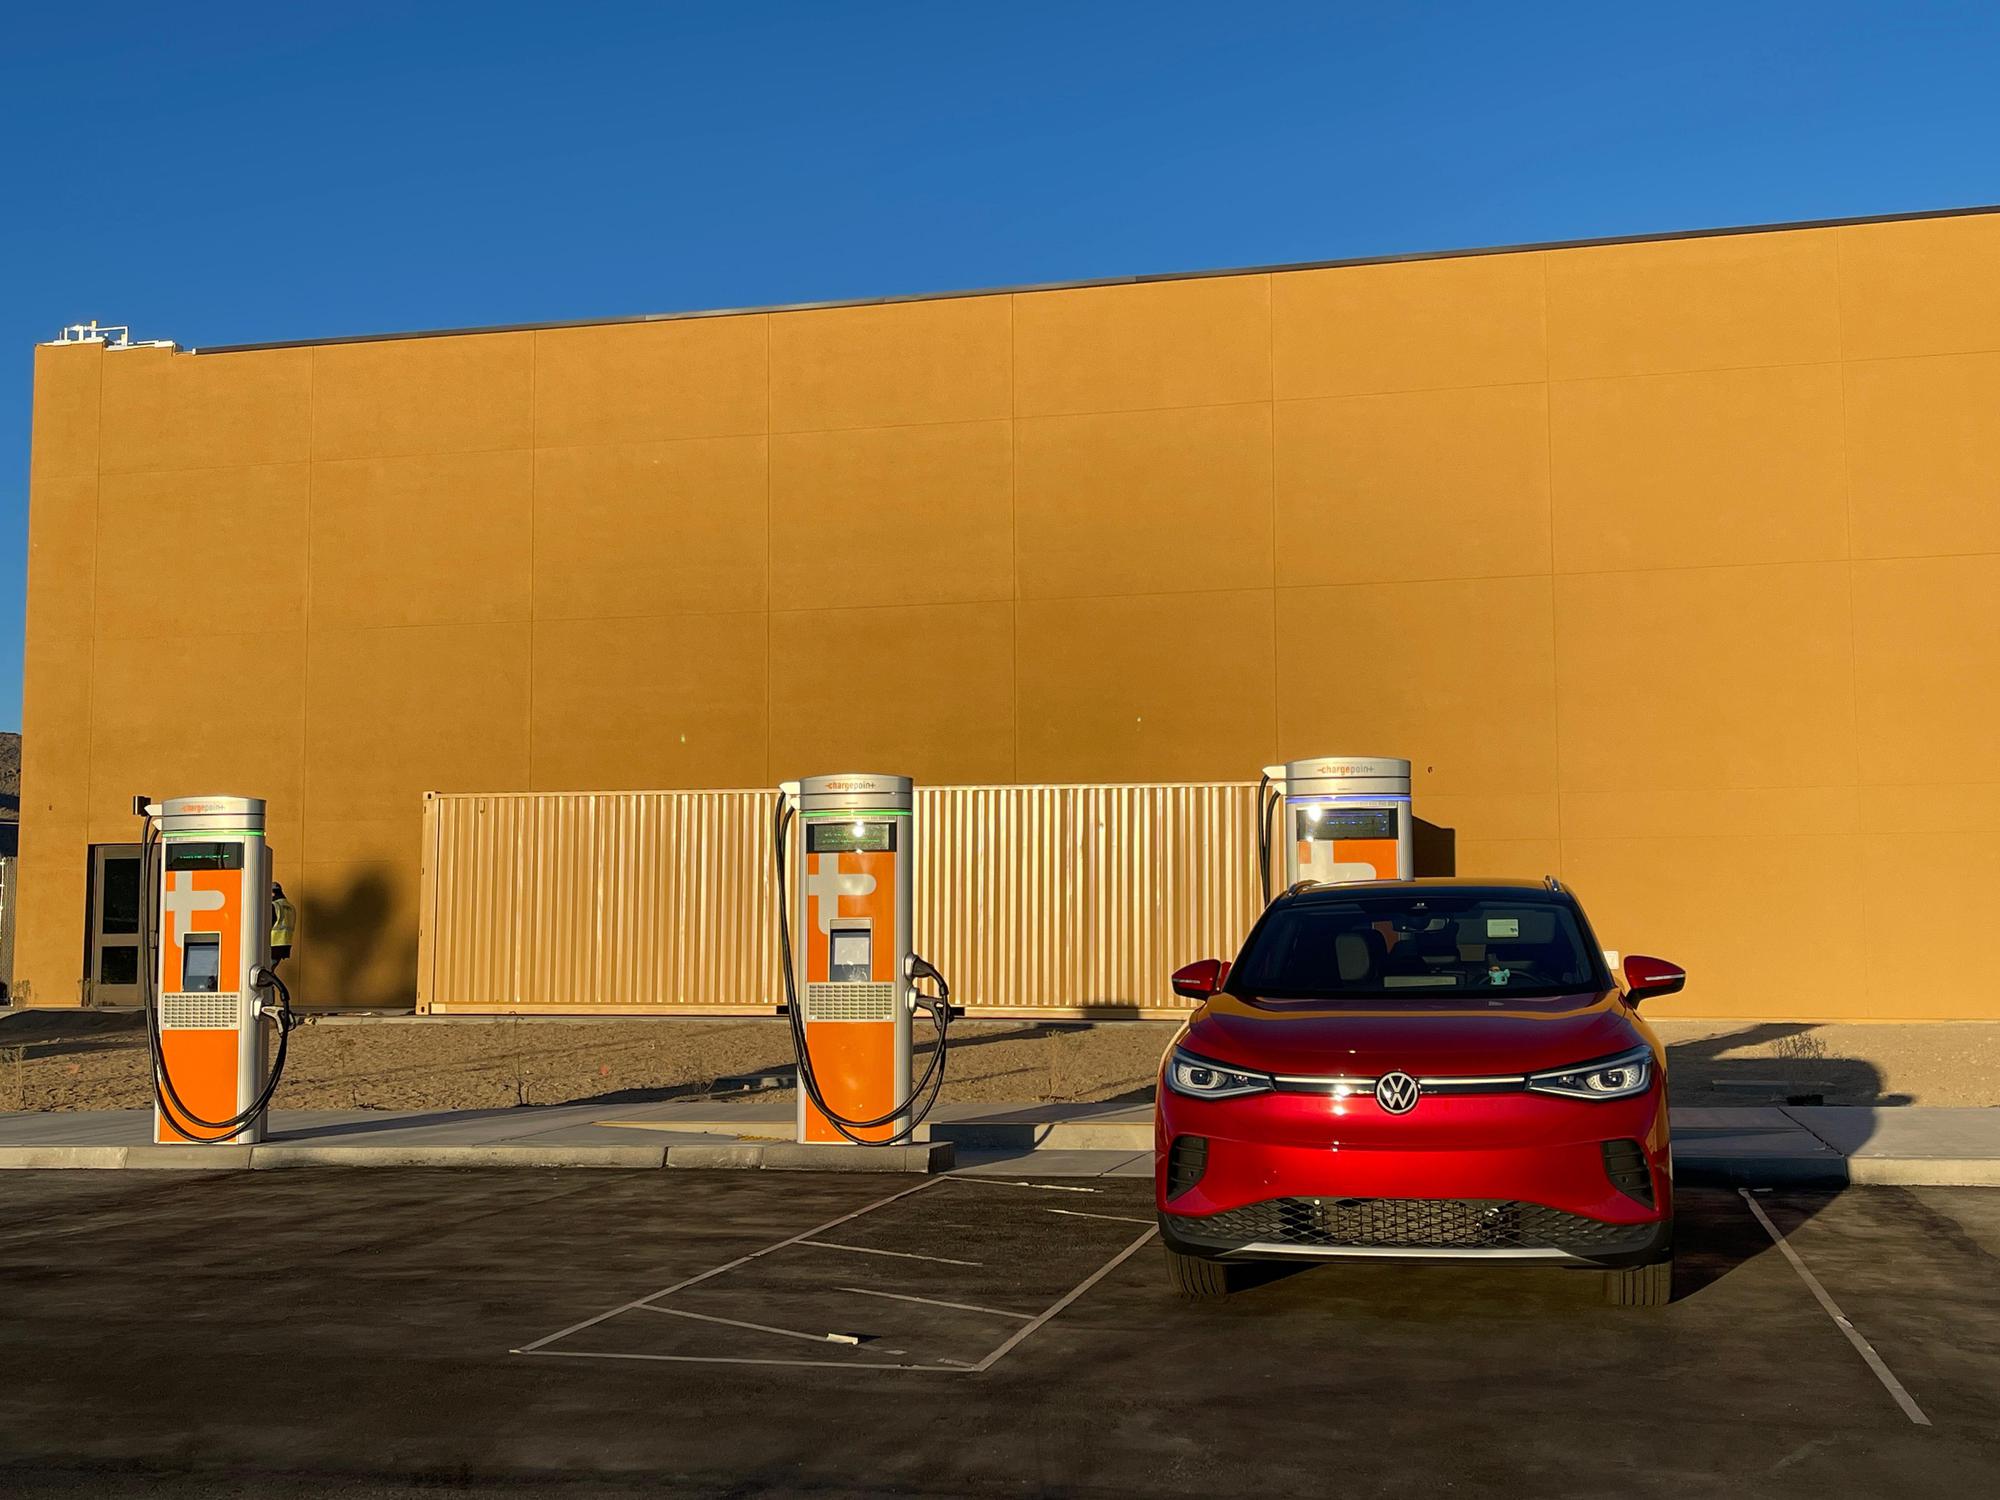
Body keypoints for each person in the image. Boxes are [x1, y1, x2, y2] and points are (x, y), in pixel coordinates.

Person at [269, 881, 296, 964]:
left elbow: (268, 924)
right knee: (271, 969)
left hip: (273, 945)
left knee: (266, 971)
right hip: (285, 945)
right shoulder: (291, 907)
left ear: (272, 893)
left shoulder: (275, 905)